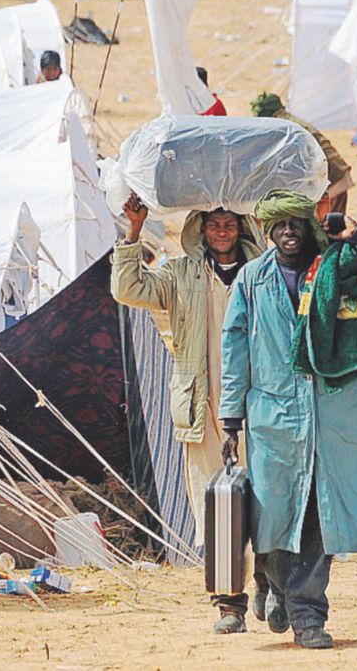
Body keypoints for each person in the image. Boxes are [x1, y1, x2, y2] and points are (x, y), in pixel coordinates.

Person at [220, 190, 357, 650]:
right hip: (274, 417)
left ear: (310, 227)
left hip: (333, 415)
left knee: (316, 517)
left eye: (297, 224)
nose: (290, 232)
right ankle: (271, 582)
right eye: (280, 225)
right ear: (268, 232)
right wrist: (231, 417)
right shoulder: (252, 279)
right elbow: (234, 348)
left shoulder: (342, 266)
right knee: (271, 517)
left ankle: (308, 614)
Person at [112, 194, 268, 633]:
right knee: (215, 502)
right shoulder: (180, 274)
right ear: (202, 231)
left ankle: (266, 584)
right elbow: (128, 289)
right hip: (202, 406)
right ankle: (229, 604)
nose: (222, 232)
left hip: (258, 402)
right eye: (214, 225)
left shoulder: (262, 274)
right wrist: (135, 231)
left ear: (242, 229)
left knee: (266, 498)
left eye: (229, 225)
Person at [251, 93, 352, 212]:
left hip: (329, 178)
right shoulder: (289, 121)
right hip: (337, 173)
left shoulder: (281, 127)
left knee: (325, 224)